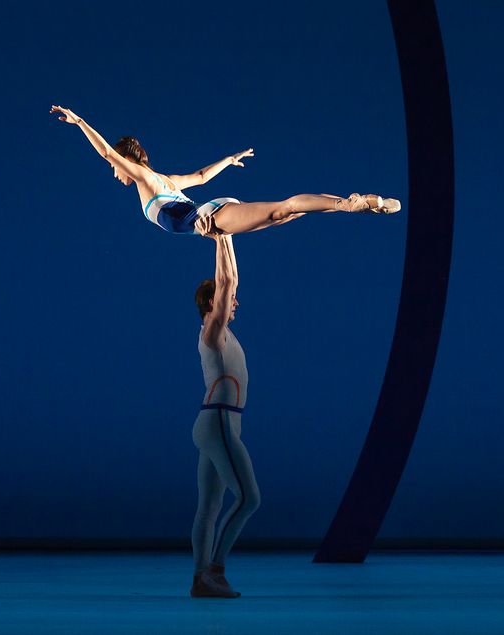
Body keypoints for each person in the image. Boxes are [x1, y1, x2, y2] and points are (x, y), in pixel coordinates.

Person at [50, 105, 400, 236]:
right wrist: (227, 161)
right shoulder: (166, 181)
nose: (115, 174)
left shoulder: (144, 178)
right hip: (212, 212)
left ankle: (351, 203)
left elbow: (107, 153)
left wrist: (79, 121)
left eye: (117, 167)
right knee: (285, 216)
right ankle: (352, 203)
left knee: (285, 208)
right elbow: (201, 177)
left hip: (211, 217)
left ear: (129, 162)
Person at [189, 232, 258, 598]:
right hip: (218, 422)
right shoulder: (212, 332)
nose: (236, 303)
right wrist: (222, 234)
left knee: (210, 506)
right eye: (229, 300)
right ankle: (214, 571)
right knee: (250, 498)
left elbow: (230, 282)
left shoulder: (222, 333)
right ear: (214, 303)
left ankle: (201, 578)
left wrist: (225, 239)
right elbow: (228, 281)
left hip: (216, 421)